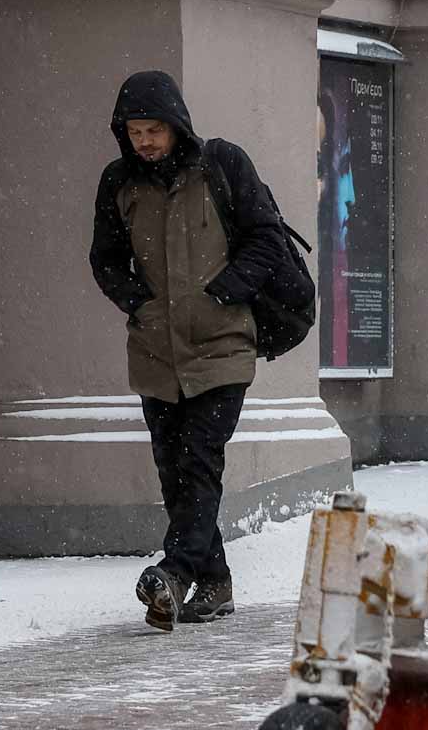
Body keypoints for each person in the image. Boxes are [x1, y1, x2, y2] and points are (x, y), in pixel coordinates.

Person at [89, 70, 289, 632]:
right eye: (135, 131)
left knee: (200, 463)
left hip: (223, 346)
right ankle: (217, 582)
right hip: (156, 350)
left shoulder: (222, 167)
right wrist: (140, 303)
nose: (146, 141)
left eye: (155, 129)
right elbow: (104, 260)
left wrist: (224, 293)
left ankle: (174, 575)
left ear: (177, 125)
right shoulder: (118, 183)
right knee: (175, 474)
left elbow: (267, 239)